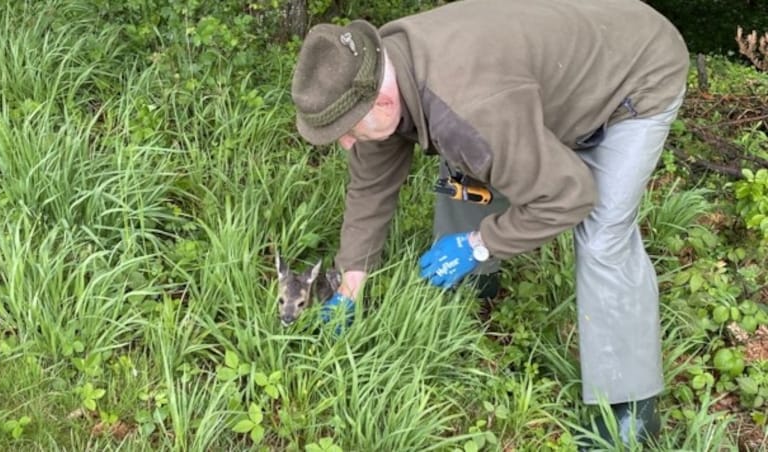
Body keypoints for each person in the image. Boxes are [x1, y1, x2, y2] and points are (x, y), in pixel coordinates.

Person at [290, 0, 689, 447]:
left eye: (346, 129)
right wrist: (350, 286)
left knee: (602, 231)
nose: (345, 143)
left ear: (382, 100)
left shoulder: (469, 106)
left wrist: (480, 242)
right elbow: (370, 186)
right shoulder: (374, 71)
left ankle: (629, 406)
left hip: (636, 69)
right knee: (467, 161)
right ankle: (477, 283)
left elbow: (568, 196)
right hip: (552, 61)